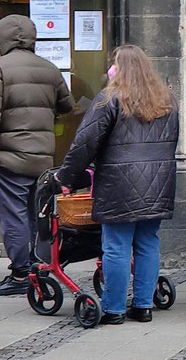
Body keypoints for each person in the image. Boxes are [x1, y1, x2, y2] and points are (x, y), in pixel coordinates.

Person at [51, 45, 178, 325]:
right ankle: (143, 306)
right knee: (147, 242)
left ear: (118, 69)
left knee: (117, 246)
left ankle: (114, 309)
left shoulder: (109, 98)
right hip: (158, 182)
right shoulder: (166, 100)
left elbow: (84, 144)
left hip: (119, 183)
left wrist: (66, 177)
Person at [0, 15, 74, 297]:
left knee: (13, 216)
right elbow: (67, 106)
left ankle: (21, 272)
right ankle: (38, 265)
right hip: (42, 157)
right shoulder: (49, 68)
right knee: (37, 214)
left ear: (1, 39)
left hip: (9, 156)